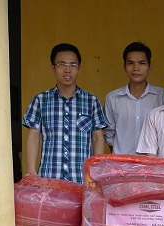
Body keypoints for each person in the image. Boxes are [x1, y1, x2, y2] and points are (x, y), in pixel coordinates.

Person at [22, 43, 107, 184]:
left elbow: (97, 138)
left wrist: (96, 172)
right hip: (49, 179)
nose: (67, 70)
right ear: (53, 68)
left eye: (73, 65)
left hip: (82, 180)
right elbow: (34, 136)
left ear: (79, 69)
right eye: (62, 64)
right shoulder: (41, 100)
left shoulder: (91, 101)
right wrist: (31, 170)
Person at [103, 42, 164, 154]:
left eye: (141, 63)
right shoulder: (113, 98)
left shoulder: (163, 96)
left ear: (149, 66)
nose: (136, 68)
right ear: (124, 66)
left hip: (153, 166)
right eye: (131, 63)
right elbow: (110, 135)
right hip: (122, 167)